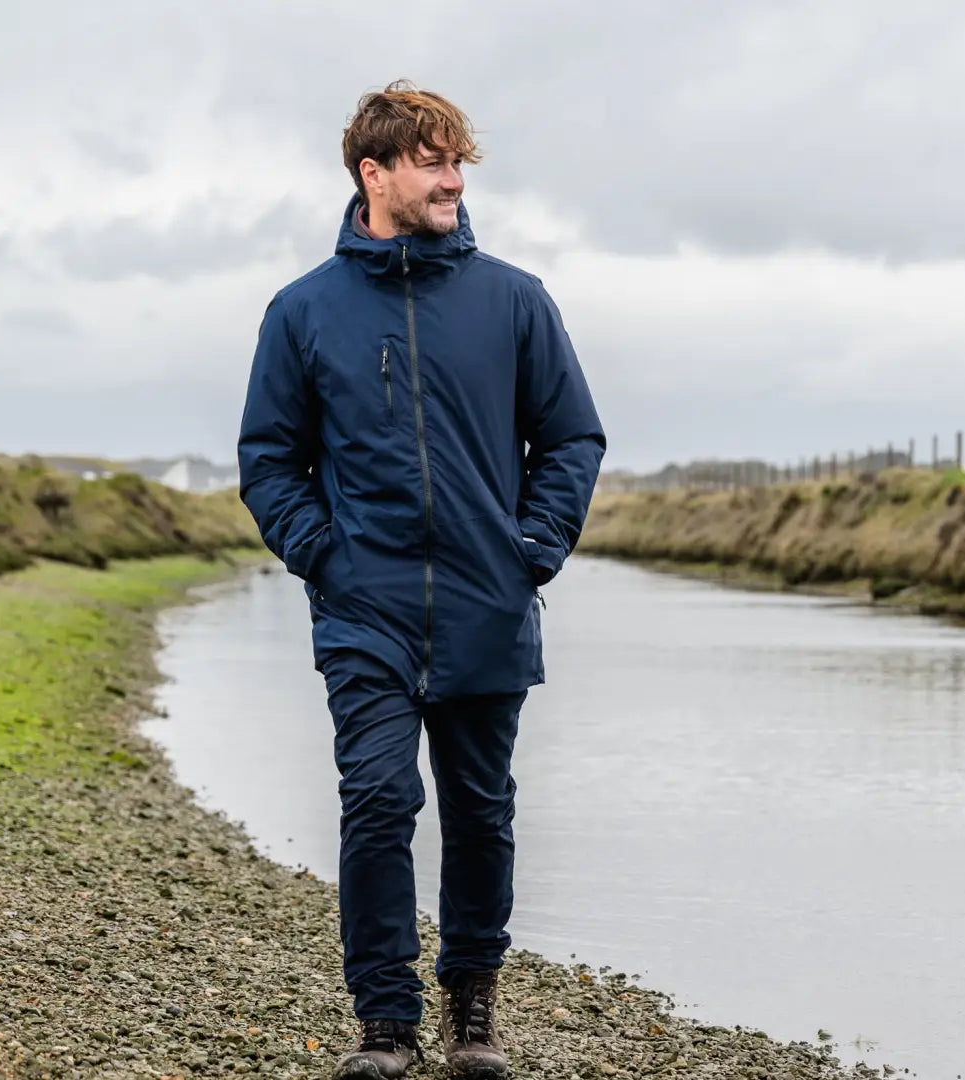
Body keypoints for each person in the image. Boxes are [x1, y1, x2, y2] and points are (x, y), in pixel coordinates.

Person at [237, 80, 605, 1079]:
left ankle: (473, 1016)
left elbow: (571, 438)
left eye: (458, 163)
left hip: (490, 606)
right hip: (369, 611)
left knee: (483, 811)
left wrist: (529, 552)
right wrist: (327, 556)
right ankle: (387, 1026)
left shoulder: (516, 301)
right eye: (433, 161)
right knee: (377, 801)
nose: (452, 180)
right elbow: (270, 460)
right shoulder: (304, 311)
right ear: (376, 172)